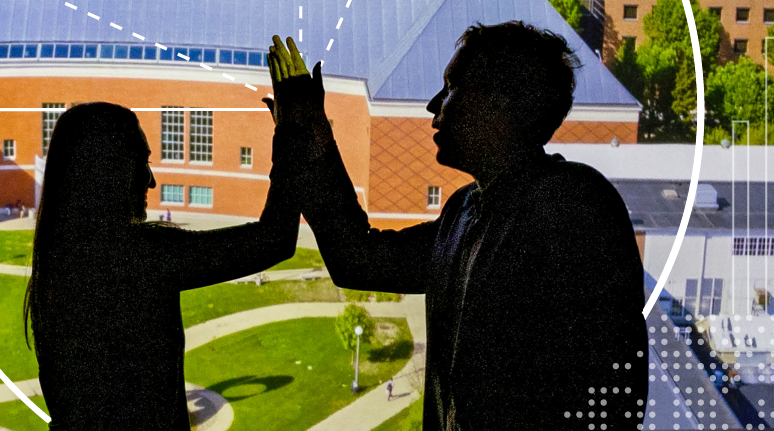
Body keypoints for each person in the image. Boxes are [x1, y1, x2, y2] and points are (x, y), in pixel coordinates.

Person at [266, 25, 647, 430]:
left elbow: (617, 392)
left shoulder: (575, 205)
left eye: (451, 88)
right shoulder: (462, 212)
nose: (434, 105)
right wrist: (311, 140)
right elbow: (358, 261)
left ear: (500, 105)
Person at [24, 101, 308, 431]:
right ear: (109, 171)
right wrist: (296, 132)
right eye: (141, 162)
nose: (151, 181)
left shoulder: (57, 265)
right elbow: (276, 239)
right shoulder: (138, 258)